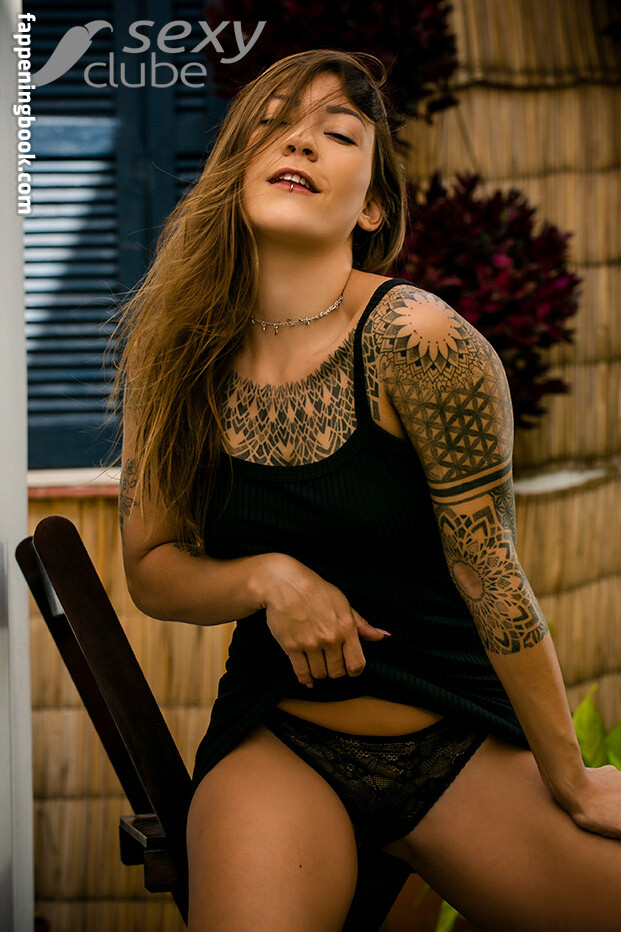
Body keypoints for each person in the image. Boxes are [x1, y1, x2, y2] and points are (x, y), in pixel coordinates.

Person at [112, 48, 621, 932]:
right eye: (274, 123)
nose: (299, 141)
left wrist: (571, 781)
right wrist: (267, 578)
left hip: (457, 738)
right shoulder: (175, 352)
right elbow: (151, 568)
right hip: (281, 742)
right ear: (236, 166)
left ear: (372, 206)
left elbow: (490, 575)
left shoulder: (418, 339)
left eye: (338, 133)